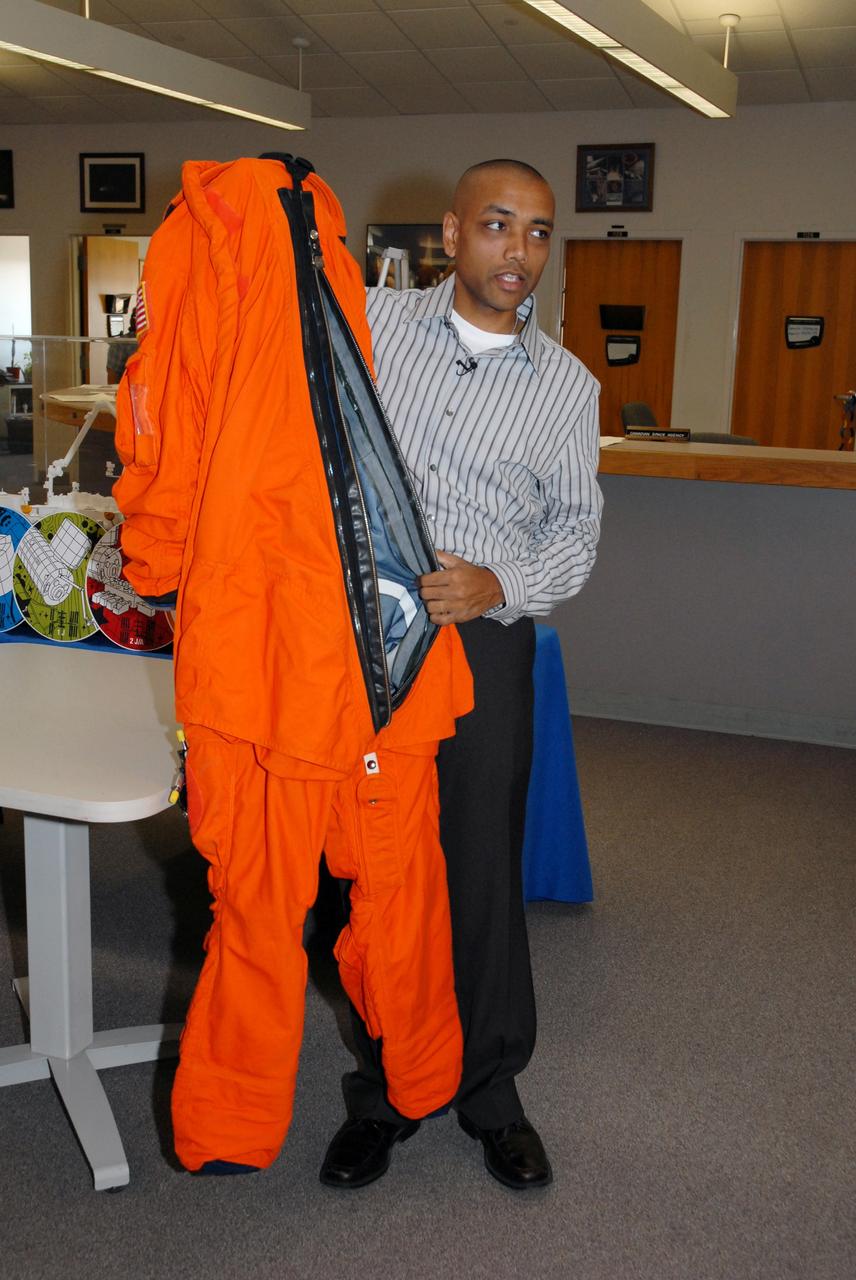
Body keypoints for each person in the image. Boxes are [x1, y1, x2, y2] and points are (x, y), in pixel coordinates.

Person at [320, 159, 602, 1192]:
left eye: (539, 232)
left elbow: (575, 536)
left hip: (482, 640)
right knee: (372, 866)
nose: (519, 252)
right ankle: (387, 1090)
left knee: (479, 863)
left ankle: (490, 1093)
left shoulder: (567, 388)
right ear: (450, 234)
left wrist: (500, 582)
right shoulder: (373, 325)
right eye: (497, 225)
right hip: (361, 636)